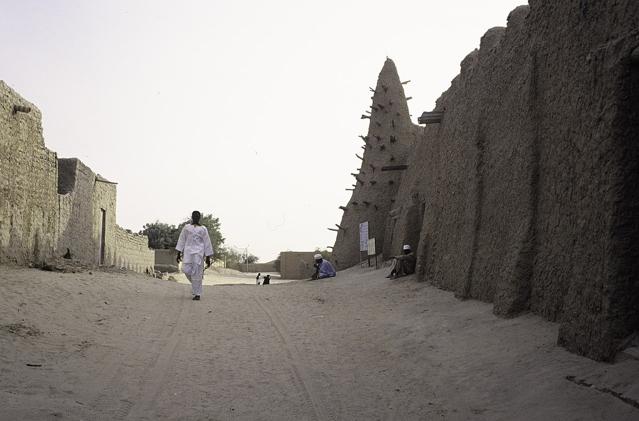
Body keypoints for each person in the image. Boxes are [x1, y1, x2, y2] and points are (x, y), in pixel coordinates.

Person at [176, 211, 214, 301]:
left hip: (198, 254)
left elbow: (207, 243)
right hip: (188, 253)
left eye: (197, 216)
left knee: (197, 273)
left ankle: (197, 294)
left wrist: (208, 257)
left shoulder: (203, 229)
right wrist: (178, 253)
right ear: (192, 217)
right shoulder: (187, 228)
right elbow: (181, 240)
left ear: (199, 217)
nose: (196, 217)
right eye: (194, 216)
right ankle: (195, 283)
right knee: (185, 269)